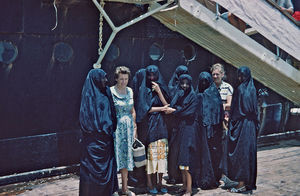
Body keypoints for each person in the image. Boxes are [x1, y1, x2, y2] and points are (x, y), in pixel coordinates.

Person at [79, 69, 118, 196]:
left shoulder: (106, 92)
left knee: (107, 169)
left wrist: (110, 128)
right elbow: (86, 121)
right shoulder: (88, 97)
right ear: (96, 79)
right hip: (93, 143)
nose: (106, 80)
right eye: (103, 78)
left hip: (106, 141)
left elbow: (112, 112)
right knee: (92, 172)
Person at [134, 65, 170, 194]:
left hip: (161, 125)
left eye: (154, 75)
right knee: (151, 156)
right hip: (149, 126)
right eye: (149, 75)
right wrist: (161, 109)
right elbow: (145, 109)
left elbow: (167, 104)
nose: (152, 78)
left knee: (161, 155)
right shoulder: (144, 89)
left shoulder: (161, 86)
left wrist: (159, 91)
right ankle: (150, 183)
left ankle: (160, 183)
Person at [226, 66, 260, 193]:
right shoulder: (252, 89)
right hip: (250, 126)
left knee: (241, 154)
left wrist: (231, 125)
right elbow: (255, 111)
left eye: (240, 76)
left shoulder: (240, 89)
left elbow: (236, 110)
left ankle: (241, 184)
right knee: (249, 154)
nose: (239, 78)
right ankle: (248, 182)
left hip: (241, 126)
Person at [167, 74, 198, 196]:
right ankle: (184, 185)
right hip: (180, 129)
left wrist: (175, 111)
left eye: (187, 83)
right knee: (181, 159)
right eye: (182, 83)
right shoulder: (180, 94)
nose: (184, 86)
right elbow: (173, 104)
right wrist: (176, 107)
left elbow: (188, 112)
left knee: (187, 160)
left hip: (189, 130)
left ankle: (189, 189)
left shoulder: (193, 97)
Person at [194, 72, 224, 190]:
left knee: (212, 155)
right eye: (202, 81)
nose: (204, 84)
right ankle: (203, 178)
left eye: (206, 81)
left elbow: (219, 112)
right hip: (201, 130)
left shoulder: (212, 94)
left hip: (213, 132)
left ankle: (211, 179)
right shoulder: (199, 95)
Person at [110, 66, 137, 196]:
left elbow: (133, 110)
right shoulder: (111, 91)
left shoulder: (130, 91)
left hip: (128, 128)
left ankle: (125, 188)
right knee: (116, 157)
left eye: (126, 79)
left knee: (126, 158)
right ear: (116, 78)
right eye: (121, 79)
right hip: (116, 128)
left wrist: (135, 128)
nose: (123, 81)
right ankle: (114, 188)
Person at [167, 65, 189, 184]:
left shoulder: (186, 87)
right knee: (174, 150)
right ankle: (173, 175)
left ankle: (181, 176)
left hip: (183, 124)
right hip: (174, 123)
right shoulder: (174, 88)